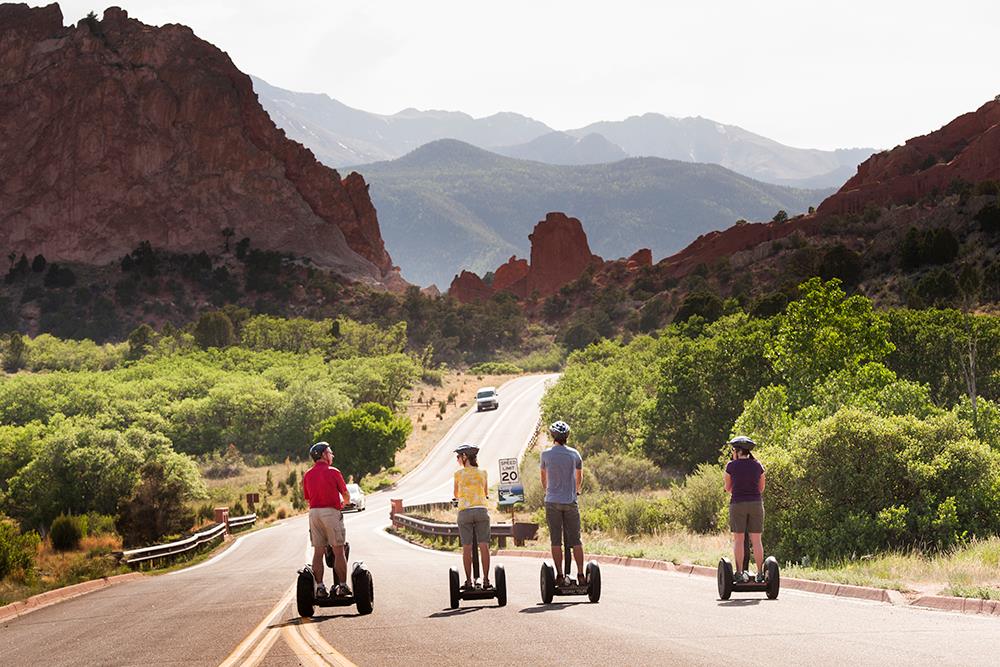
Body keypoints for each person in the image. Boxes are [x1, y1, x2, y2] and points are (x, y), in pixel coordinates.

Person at [540, 420, 586, 586]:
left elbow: (543, 478)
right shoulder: (575, 455)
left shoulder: (545, 455)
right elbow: (579, 477)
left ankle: (559, 575)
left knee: (555, 540)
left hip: (552, 502)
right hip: (570, 501)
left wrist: (547, 491)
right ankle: (581, 574)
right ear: (567, 436)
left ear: (553, 436)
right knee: (576, 540)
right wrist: (577, 490)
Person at [302, 441, 351, 597]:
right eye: (330, 452)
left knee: (318, 552)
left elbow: (308, 498)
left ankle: (321, 588)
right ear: (323, 454)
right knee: (338, 550)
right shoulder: (333, 471)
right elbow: (345, 494)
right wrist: (345, 502)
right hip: (331, 512)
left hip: (314, 514)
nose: (332, 455)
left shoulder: (308, 474)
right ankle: (342, 586)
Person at [723, 435, 767, 584]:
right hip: (755, 504)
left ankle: (740, 573)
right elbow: (761, 488)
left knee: (739, 540)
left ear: (737, 451)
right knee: (756, 540)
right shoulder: (758, 465)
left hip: (738, 504)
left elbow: (728, 488)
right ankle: (760, 573)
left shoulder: (731, 466)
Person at [453, 443, 491, 589]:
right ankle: (486, 580)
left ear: (464, 457)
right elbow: (486, 493)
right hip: (481, 511)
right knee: (484, 546)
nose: (457, 460)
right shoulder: (483, 473)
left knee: (467, 548)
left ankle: (469, 581)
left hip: (465, 512)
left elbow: (456, 494)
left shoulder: (458, 474)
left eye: (458, 457)